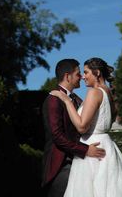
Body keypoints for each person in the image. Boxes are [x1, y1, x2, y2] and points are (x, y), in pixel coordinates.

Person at [49, 57, 122, 197]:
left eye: (86, 72)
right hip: (106, 146)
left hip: (93, 147)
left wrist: (67, 101)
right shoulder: (109, 93)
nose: (83, 77)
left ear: (97, 73)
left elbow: (81, 127)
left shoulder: (94, 92)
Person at [42, 58, 107, 197]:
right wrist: (85, 150)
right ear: (67, 76)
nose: (82, 77)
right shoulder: (54, 99)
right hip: (61, 165)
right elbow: (57, 136)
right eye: (78, 73)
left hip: (79, 162)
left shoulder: (77, 99)